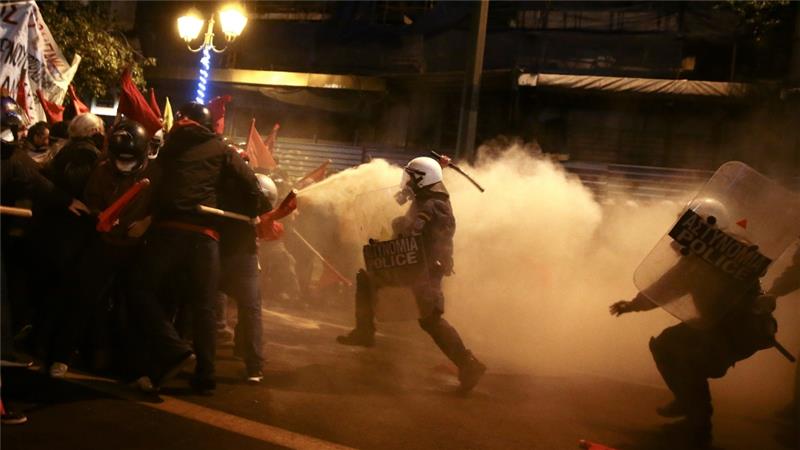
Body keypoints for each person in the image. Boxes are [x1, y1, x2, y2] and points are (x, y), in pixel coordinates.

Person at [610, 198, 781, 447]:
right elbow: (667, 287)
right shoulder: (729, 254)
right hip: (724, 329)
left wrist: (633, 305)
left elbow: (667, 288)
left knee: (672, 349)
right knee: (676, 348)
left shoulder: (720, 257)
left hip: (733, 331)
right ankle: (691, 407)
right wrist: (634, 305)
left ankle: (697, 425)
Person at [128, 102, 270, 393]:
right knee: (204, 307)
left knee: (144, 290)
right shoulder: (222, 149)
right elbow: (252, 187)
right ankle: (205, 375)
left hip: (169, 233)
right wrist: (254, 211)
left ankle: (170, 351)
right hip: (206, 237)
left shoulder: (169, 149)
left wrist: (144, 220)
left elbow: (154, 186)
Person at [337, 156, 486, 392]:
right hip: (416, 267)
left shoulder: (431, 205)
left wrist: (395, 232)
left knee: (431, 319)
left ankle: (468, 364)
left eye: (411, 177)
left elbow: (412, 232)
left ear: (422, 179)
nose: (406, 182)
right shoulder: (429, 199)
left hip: (423, 270)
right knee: (368, 280)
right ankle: (364, 332)